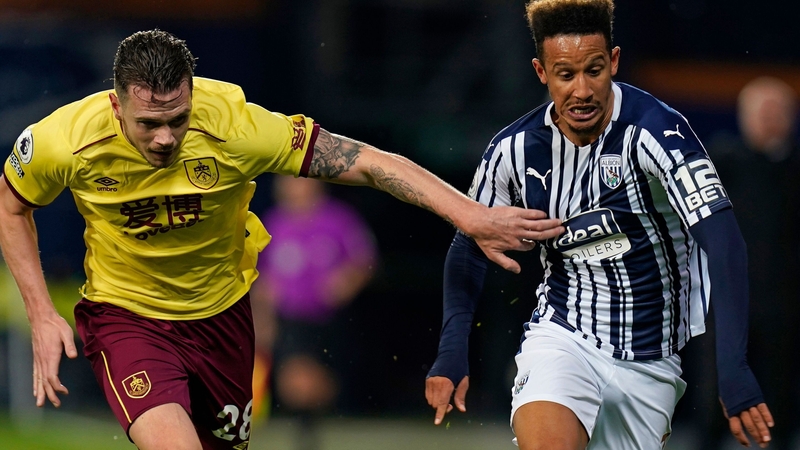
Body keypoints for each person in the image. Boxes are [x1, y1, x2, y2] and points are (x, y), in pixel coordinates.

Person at [0, 30, 565, 450]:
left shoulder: (237, 128)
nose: (167, 137)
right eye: (150, 123)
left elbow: (367, 162)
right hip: (129, 318)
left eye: (178, 117)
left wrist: (469, 214)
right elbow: (12, 204)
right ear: (116, 101)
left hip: (223, 317)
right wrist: (42, 312)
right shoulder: (60, 142)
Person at [424, 1, 774, 449]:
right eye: (565, 75)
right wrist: (452, 349)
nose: (583, 91)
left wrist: (734, 366)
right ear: (541, 72)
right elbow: (468, 248)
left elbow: (724, 243)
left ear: (613, 61)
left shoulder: (658, 131)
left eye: (594, 70)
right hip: (562, 337)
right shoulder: (512, 151)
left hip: (649, 363)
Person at [250, 175, 378, 450]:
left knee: (321, 383)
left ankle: (315, 420)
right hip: (291, 318)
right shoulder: (274, 222)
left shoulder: (338, 219)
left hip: (329, 318)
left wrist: (345, 282)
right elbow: (262, 276)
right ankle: (306, 429)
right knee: (295, 382)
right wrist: (262, 318)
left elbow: (364, 259)